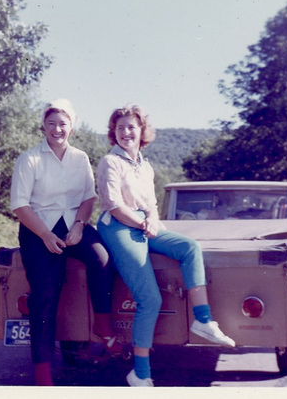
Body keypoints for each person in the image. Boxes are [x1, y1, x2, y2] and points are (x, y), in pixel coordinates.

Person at [96, 104, 235, 387]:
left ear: (141, 131)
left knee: (189, 247)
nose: (126, 132)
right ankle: (140, 374)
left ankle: (203, 320)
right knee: (150, 299)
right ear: (114, 133)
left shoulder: (145, 166)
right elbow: (113, 205)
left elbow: (151, 205)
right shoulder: (110, 162)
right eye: (120, 128)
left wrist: (152, 220)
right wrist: (142, 223)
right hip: (119, 227)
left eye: (131, 127)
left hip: (144, 224)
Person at [10, 99, 121, 386]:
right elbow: (21, 206)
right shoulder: (29, 159)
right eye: (51, 124)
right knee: (44, 296)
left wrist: (80, 226)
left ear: (71, 127)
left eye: (63, 124)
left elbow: (88, 197)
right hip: (37, 229)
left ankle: (103, 325)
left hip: (74, 223)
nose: (57, 129)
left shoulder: (80, 157)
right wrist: (45, 235)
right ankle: (43, 371)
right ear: (43, 127)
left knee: (101, 258)